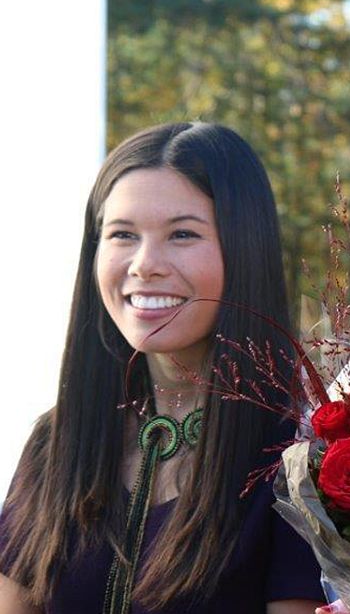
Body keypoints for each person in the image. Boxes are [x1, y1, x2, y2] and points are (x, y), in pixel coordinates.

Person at [0, 123, 325, 613]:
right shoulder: (58, 440)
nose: (144, 263)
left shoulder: (298, 455)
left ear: (244, 249)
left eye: (182, 234)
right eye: (122, 235)